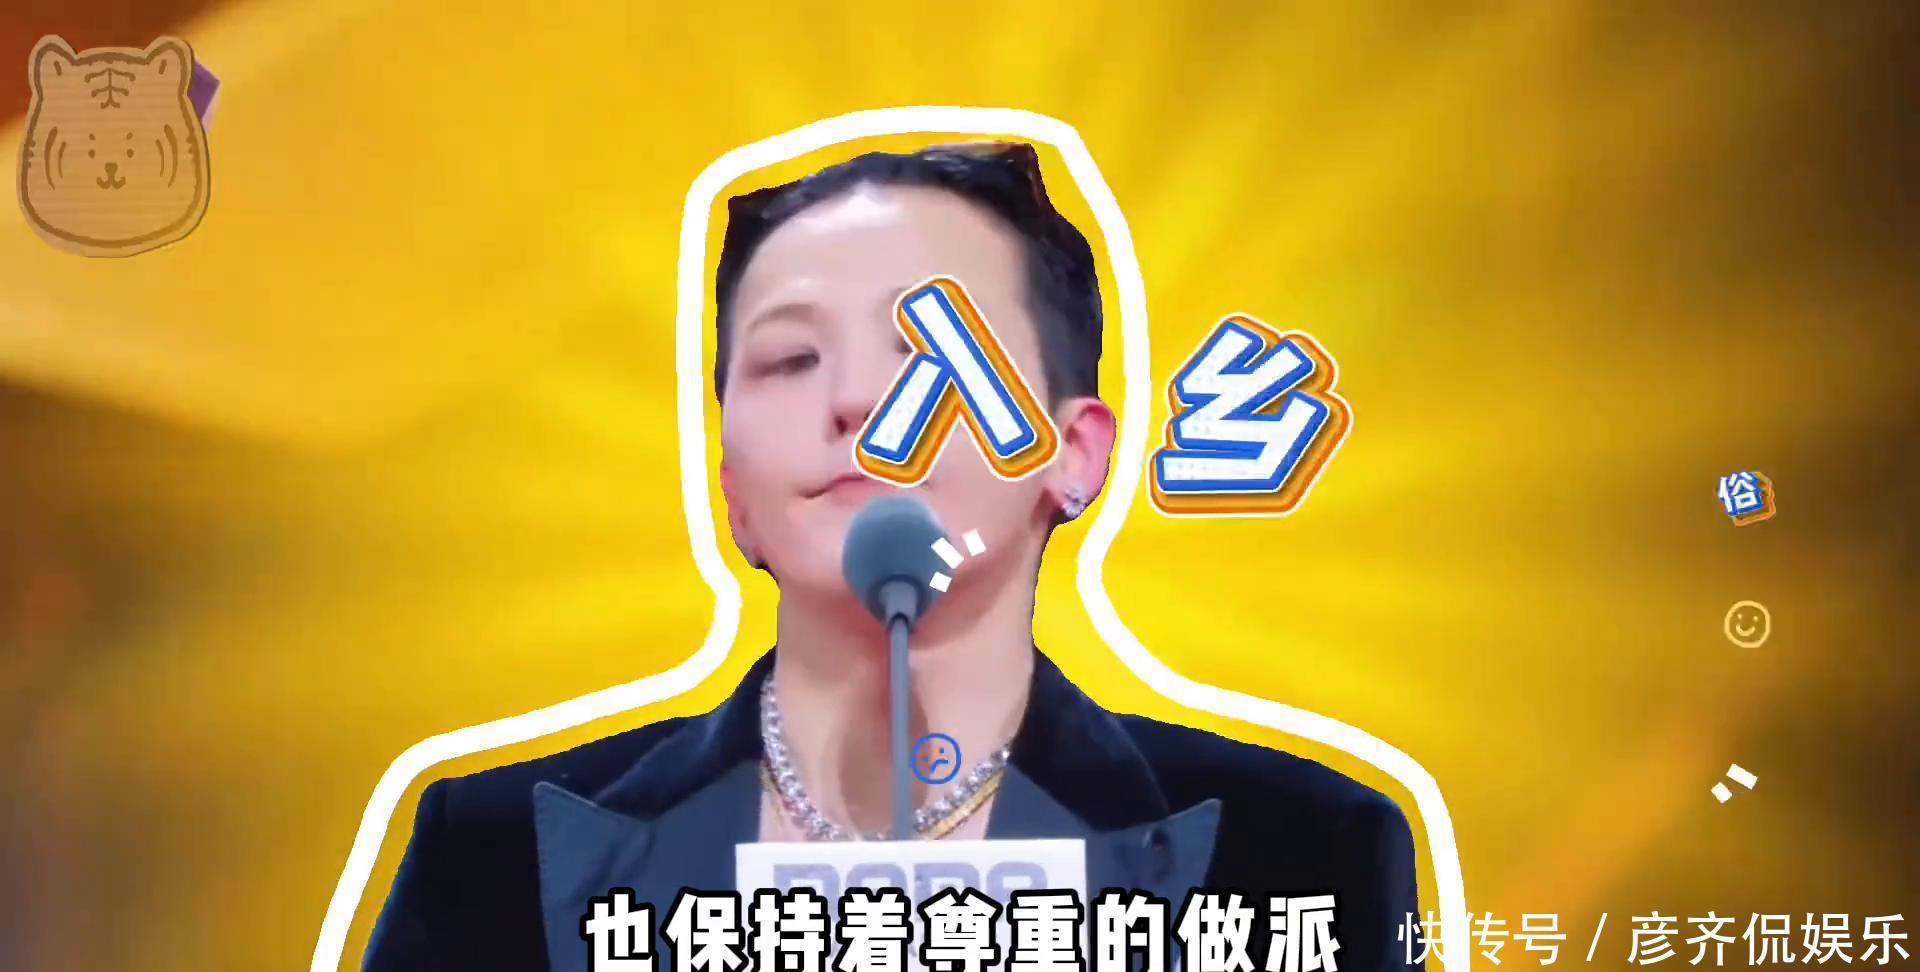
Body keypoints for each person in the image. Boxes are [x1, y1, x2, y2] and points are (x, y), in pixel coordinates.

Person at [363, 143, 1421, 972]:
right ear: (731, 491)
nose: (861, 402)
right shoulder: (492, 854)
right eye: (791, 358)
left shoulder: (1301, 855)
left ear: (1074, 454)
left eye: (934, 349)